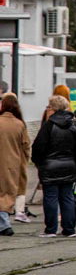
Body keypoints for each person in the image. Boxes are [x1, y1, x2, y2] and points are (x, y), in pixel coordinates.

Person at [30, 94, 76, 237]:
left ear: (53, 108)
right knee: (67, 197)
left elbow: (38, 147)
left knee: (51, 197)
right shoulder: (73, 126)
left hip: (50, 166)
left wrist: (38, 163)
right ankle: (69, 229)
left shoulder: (48, 126)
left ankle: (51, 229)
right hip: (69, 166)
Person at [0, 93, 28, 235]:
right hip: (12, 163)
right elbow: (26, 146)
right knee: (7, 193)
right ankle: (4, 224)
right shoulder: (19, 124)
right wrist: (24, 163)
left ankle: (4, 224)